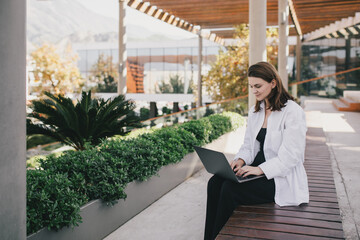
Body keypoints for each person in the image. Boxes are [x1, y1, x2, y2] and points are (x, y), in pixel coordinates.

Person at [204, 61, 309, 240]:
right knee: (214, 183)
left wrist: (260, 169)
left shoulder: (293, 112)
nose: (254, 91)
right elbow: (248, 146)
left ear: (273, 83)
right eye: (251, 86)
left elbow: (292, 156)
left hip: (279, 176)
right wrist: (241, 160)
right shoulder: (256, 111)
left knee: (230, 189)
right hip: (256, 168)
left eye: (258, 86)